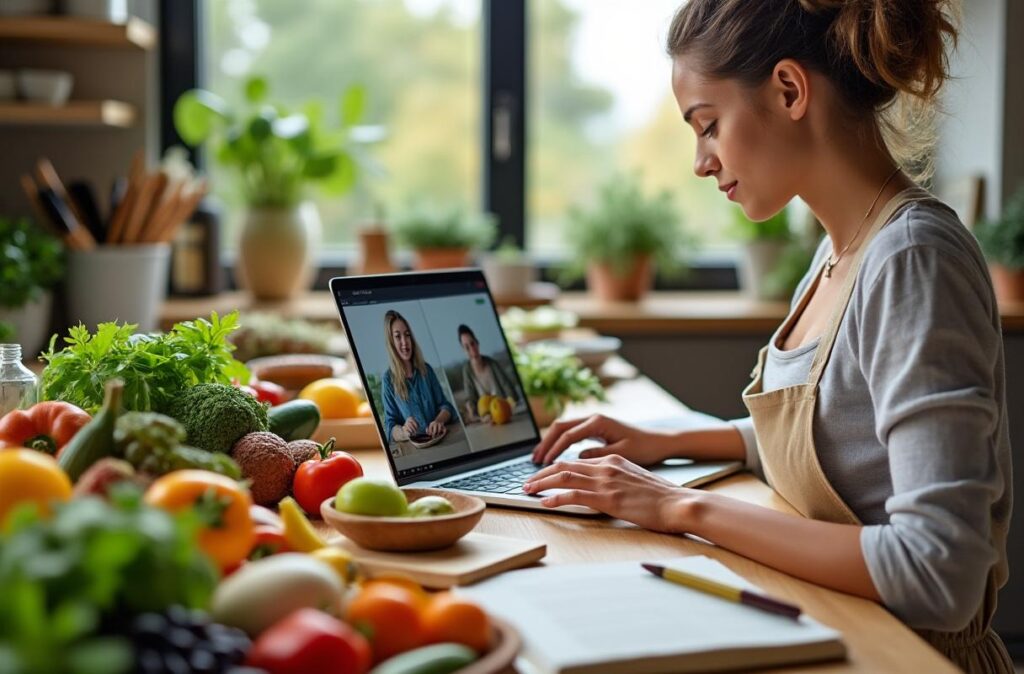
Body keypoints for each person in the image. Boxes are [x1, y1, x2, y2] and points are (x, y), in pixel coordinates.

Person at [524, 1, 1012, 671]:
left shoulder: (911, 260)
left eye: (708, 125)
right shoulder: (836, 253)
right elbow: (843, 440)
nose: (701, 162)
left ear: (788, 90)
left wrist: (678, 507)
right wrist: (671, 440)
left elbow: (939, 572)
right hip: (835, 633)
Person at [380, 310, 457, 442]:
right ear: (391, 342)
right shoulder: (388, 380)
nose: (405, 342)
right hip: (417, 449)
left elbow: (446, 406)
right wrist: (403, 431)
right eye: (398, 336)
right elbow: (390, 426)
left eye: (407, 335)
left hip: (441, 440)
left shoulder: (426, 370)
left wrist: (438, 421)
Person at [457, 324, 519, 421]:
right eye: (467, 347)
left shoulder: (493, 364)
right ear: (464, 350)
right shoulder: (466, 370)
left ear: (477, 343)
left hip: (504, 414)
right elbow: (470, 397)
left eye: (472, 343)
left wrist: (510, 403)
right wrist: (470, 407)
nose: (472, 349)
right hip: (485, 419)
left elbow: (509, 389)